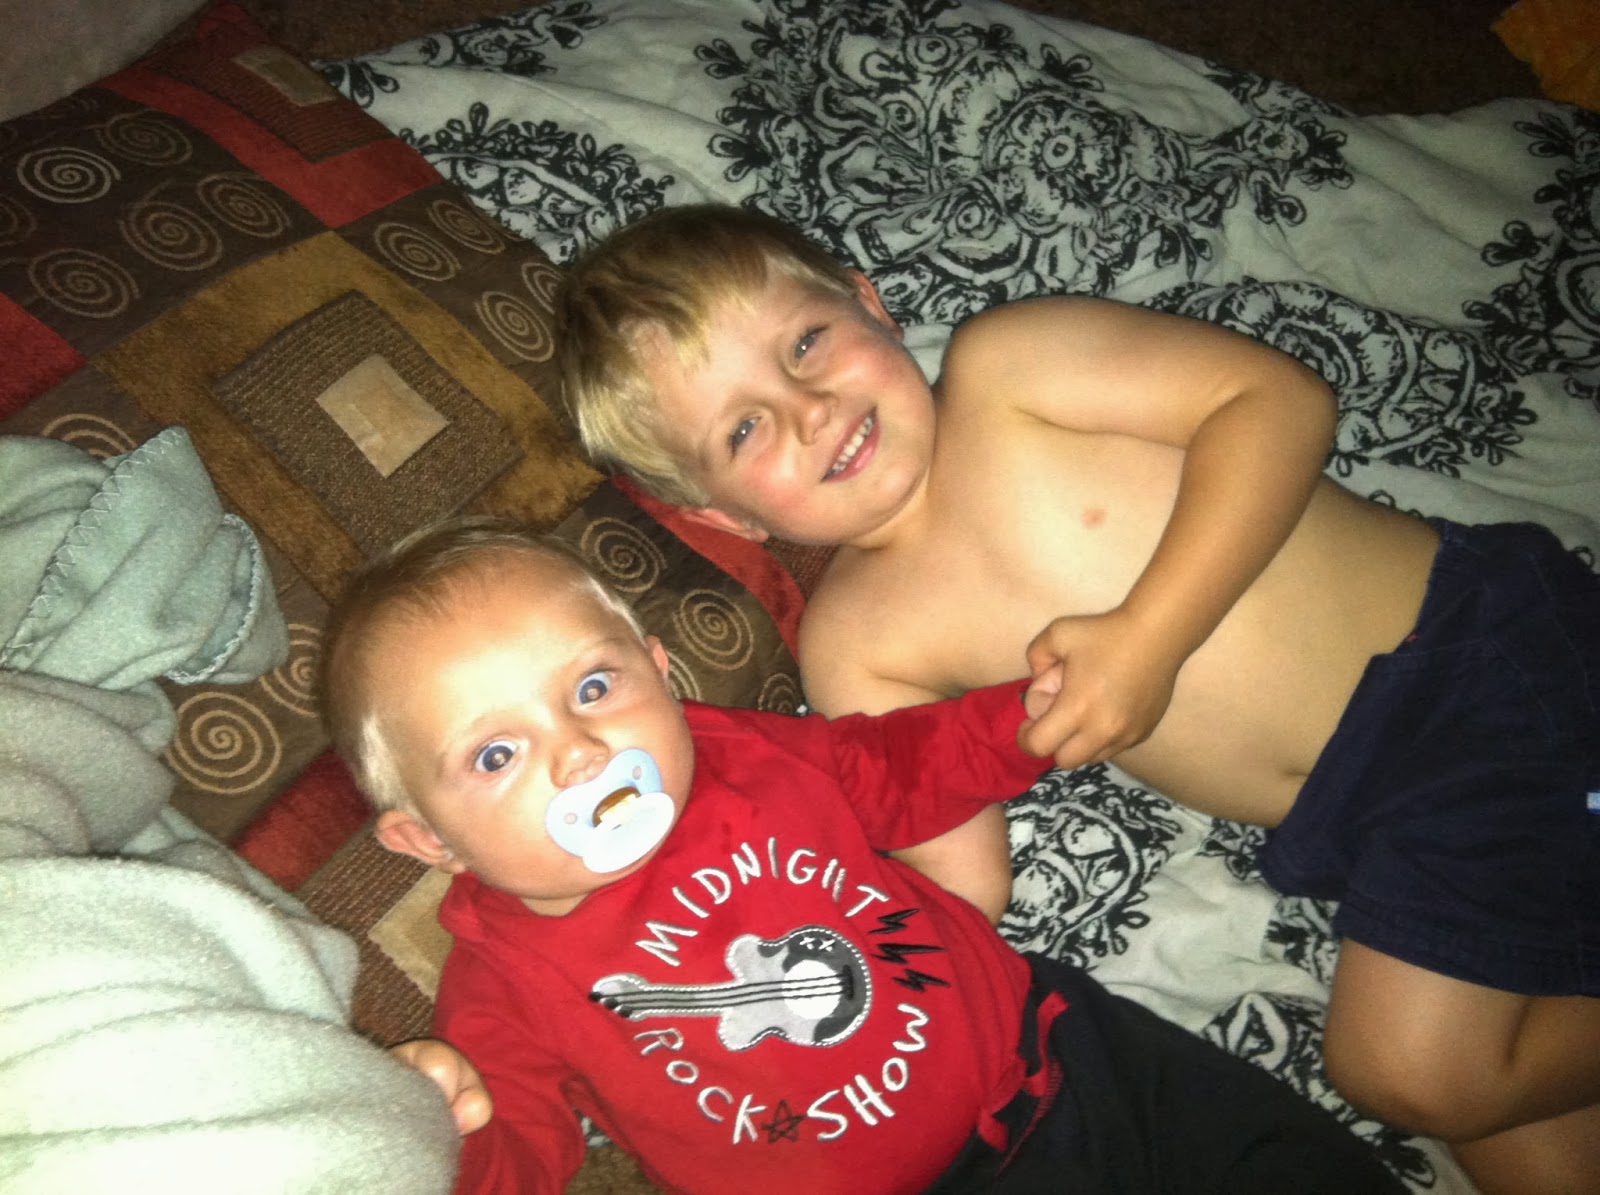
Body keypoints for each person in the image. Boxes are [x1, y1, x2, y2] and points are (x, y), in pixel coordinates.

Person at [552, 203, 1600, 1192]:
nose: (809, 410)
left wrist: (1150, 636)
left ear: (868, 302)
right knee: (1521, 1144)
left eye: (807, 343)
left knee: (1409, 1069)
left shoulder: (1009, 367)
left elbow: (1279, 404)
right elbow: (960, 884)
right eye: (743, 431)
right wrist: (771, 963)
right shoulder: (854, 640)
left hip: (1473, 663)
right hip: (1374, 829)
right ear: (724, 517)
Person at [321, 516, 1403, 1195]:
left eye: (594, 687)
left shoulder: (740, 754)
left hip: (1065, 1054)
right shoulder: (501, 984)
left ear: (661, 671)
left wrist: (1024, 720)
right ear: (429, 838)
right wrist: (439, 1134)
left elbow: (892, 766)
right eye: (497, 753)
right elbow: (522, 1158)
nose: (578, 751)